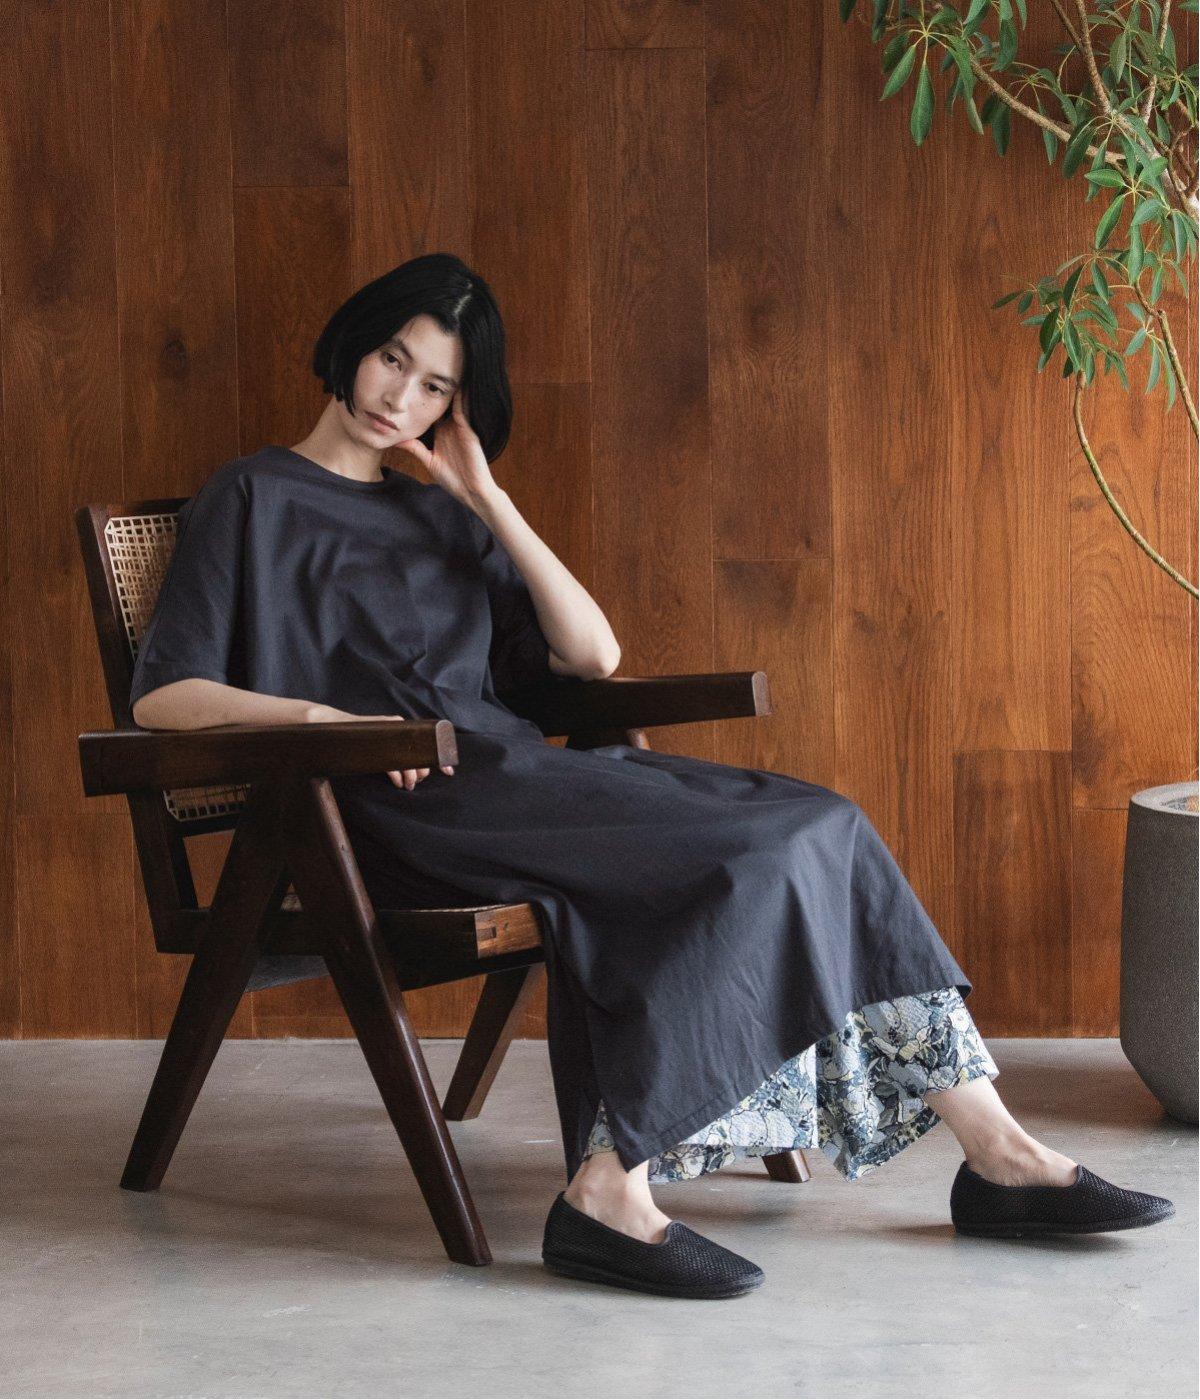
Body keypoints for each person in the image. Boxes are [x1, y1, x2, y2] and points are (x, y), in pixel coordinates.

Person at [129, 252, 1175, 1300]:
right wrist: (327, 718)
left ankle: (996, 1153)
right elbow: (163, 698)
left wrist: (486, 497)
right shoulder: (250, 496)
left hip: (513, 782)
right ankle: (610, 1193)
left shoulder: (444, 516)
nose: (400, 397)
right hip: (388, 812)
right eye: (392, 360)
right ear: (354, 342)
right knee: (741, 854)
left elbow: (593, 656)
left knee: (821, 821)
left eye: (436, 385)